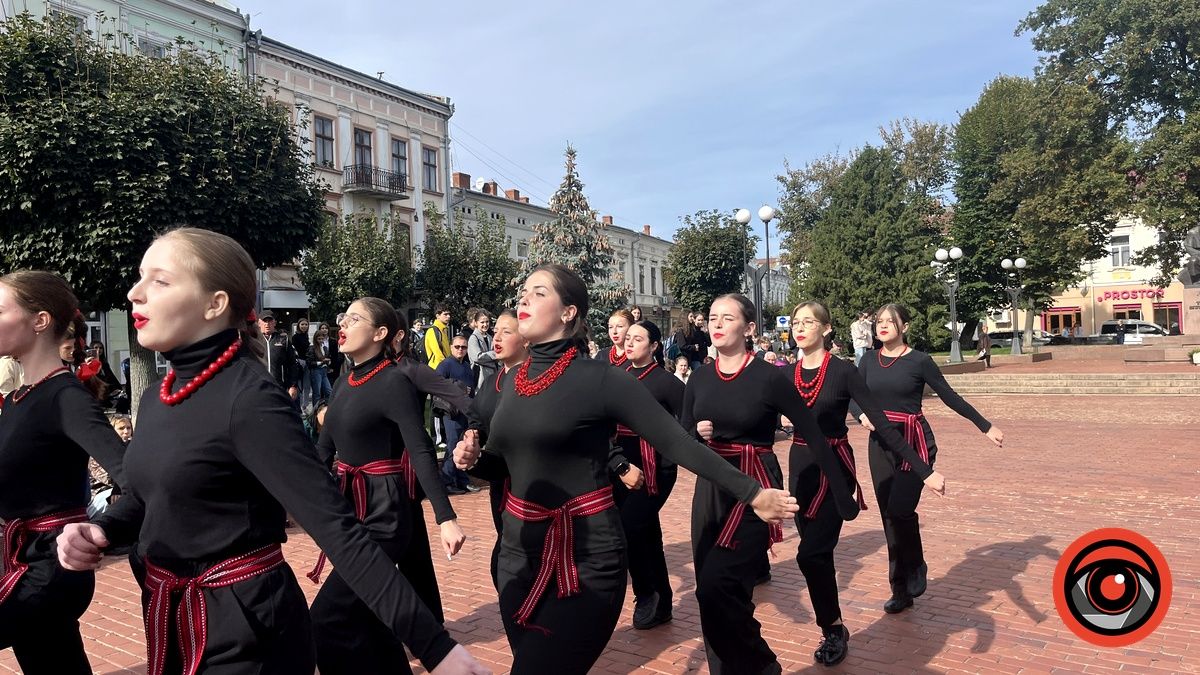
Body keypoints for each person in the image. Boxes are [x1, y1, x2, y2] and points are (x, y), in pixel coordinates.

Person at [55, 228, 488, 675]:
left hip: (247, 630)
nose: (135, 292)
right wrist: (102, 528)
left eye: (160, 280)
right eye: (140, 276)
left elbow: (338, 530)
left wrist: (437, 650)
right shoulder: (156, 397)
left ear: (215, 304)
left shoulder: (250, 398)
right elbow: (152, 495)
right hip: (174, 619)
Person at [453, 265, 798, 675]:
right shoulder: (513, 381)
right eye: (524, 291)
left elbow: (677, 442)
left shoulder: (602, 379)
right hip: (517, 556)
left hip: (586, 557)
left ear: (568, 312)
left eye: (539, 292)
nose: (524, 299)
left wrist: (752, 492)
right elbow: (501, 465)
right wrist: (474, 460)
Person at [686, 293, 859, 675]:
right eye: (712, 317)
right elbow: (681, 438)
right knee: (710, 592)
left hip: (758, 487)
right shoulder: (698, 378)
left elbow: (814, 435)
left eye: (727, 318)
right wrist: (697, 433)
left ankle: (763, 666)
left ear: (749, 328)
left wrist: (842, 492)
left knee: (720, 585)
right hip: (711, 488)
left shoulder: (769, 377)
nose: (717, 324)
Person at [308, 297, 467, 675]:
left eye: (354, 318)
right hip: (351, 510)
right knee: (368, 616)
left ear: (380, 333)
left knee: (327, 617)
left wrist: (446, 517)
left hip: (386, 512)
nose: (343, 324)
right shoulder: (342, 382)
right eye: (343, 317)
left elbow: (420, 449)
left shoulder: (394, 381)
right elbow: (322, 452)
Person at [784, 301, 945, 666]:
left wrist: (924, 470)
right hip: (801, 471)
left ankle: (832, 629)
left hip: (835, 472)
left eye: (808, 321)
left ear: (826, 328)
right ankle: (833, 625)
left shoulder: (844, 371)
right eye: (795, 322)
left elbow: (882, 424)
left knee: (811, 553)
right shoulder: (786, 374)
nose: (800, 328)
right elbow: (759, 420)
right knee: (816, 559)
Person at [0, 270, 127, 674]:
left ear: (39, 321)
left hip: (51, 567)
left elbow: (131, 475)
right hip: (18, 558)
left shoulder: (65, 396)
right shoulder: (17, 399)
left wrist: (102, 529)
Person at [851, 303, 1004, 615]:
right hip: (880, 444)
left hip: (916, 442)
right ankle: (900, 589)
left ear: (905, 327)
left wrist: (985, 426)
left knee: (900, 510)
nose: (882, 326)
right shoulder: (867, 360)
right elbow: (852, 396)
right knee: (889, 517)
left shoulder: (919, 361)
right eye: (879, 322)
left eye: (890, 321)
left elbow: (949, 396)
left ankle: (916, 563)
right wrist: (860, 414)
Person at [389, 312, 474, 624]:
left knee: (413, 550)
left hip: (407, 466)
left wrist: (476, 427)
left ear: (395, 334)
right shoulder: (360, 371)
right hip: (370, 475)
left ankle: (429, 621)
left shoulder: (411, 369)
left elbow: (461, 398)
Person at [614, 320, 681, 630]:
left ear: (654, 345)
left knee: (631, 527)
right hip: (621, 466)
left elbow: (689, 418)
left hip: (657, 467)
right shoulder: (618, 376)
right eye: (628, 338)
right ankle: (661, 601)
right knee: (647, 533)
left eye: (637, 339)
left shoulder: (666, 382)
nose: (629, 343)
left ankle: (645, 594)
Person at [461, 309, 526, 588]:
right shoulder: (492, 382)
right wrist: (471, 437)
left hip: (531, 483)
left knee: (514, 557)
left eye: (506, 332)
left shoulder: (541, 380)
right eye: (495, 331)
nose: (496, 337)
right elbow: (477, 419)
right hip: (500, 481)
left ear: (526, 339)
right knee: (505, 549)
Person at [436, 335, 478, 495]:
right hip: (451, 413)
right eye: (457, 346)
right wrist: (457, 387)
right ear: (451, 347)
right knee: (453, 445)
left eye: (464, 347)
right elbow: (436, 385)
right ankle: (447, 482)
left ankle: (463, 481)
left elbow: (471, 389)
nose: (460, 349)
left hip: (465, 413)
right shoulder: (445, 365)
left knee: (465, 445)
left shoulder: (466, 366)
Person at [466, 309, 496, 390]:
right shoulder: (473, 338)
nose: (485, 325)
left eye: (487, 322)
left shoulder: (490, 337)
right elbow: (477, 357)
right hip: (479, 377)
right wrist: (494, 355)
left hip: (491, 375)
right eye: (482, 322)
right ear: (476, 323)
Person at [309, 321, 334, 403]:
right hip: (316, 371)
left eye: (322, 339)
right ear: (315, 339)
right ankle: (316, 410)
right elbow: (309, 362)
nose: (320, 340)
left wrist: (328, 362)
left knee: (329, 392)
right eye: (319, 339)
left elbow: (328, 359)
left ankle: (327, 408)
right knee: (317, 394)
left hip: (324, 371)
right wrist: (321, 362)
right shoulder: (312, 348)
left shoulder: (325, 348)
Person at [425, 305, 453, 369]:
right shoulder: (433, 330)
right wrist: (448, 367)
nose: (448, 316)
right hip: (437, 368)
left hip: (444, 366)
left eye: (449, 314)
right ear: (438, 316)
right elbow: (438, 353)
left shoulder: (443, 330)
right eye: (445, 314)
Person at [292, 318, 312, 407]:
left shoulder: (306, 336)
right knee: (299, 386)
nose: (304, 326)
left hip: (307, 362)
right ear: (298, 326)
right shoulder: (295, 337)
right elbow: (295, 352)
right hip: (300, 362)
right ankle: (299, 406)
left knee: (307, 385)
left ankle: (305, 406)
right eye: (302, 324)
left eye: (306, 324)